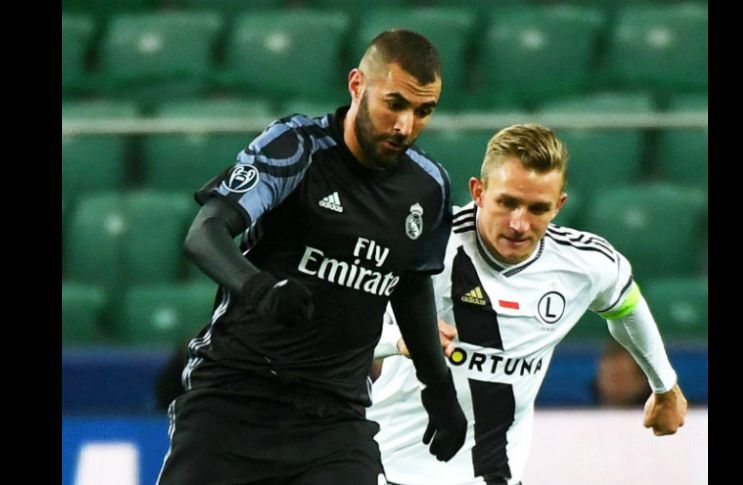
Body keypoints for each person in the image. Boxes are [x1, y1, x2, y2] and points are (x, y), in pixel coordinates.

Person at [156, 29, 467, 485]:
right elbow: (205, 233)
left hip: (335, 419)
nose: (406, 126)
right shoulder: (296, 147)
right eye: (395, 104)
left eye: (424, 111)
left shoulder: (429, 186)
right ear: (357, 84)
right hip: (234, 398)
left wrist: (439, 389)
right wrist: (262, 289)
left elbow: (412, 284)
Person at [368, 124, 688, 485]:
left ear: (559, 205)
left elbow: (627, 306)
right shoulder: (424, 246)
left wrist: (664, 387)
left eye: (537, 208)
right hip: (393, 473)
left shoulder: (584, 264)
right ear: (479, 191)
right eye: (507, 203)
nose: (519, 224)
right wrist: (400, 340)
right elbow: (343, 327)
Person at [592, 339, 651, 406]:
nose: (614, 385)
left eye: (621, 377)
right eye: (609, 376)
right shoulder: (581, 410)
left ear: (642, 381)